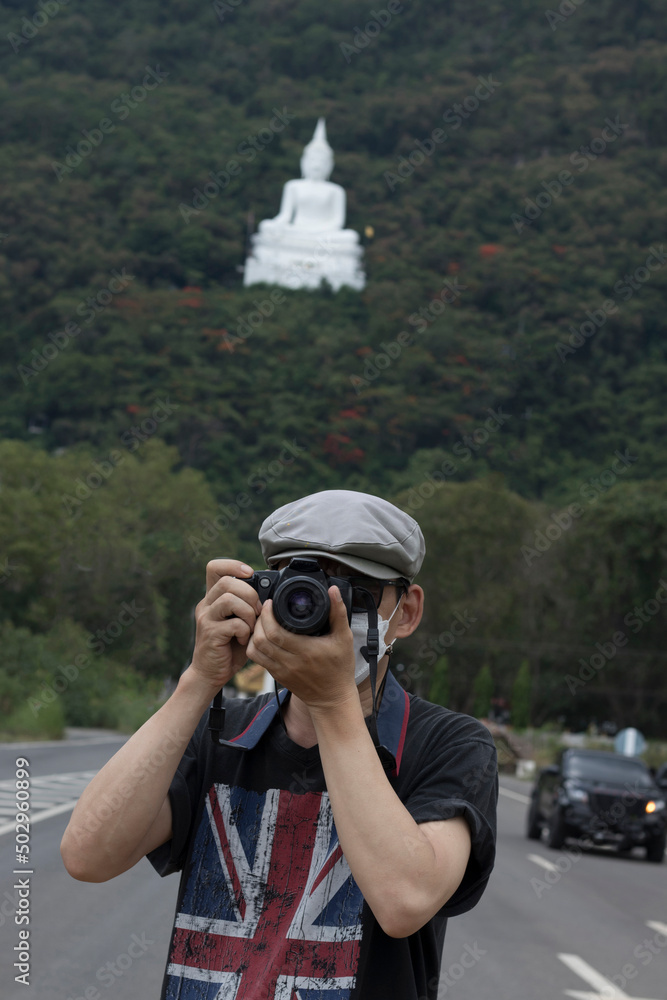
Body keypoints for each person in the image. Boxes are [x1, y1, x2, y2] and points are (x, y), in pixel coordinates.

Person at [61, 489, 498, 1000]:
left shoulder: (451, 745)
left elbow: (404, 900)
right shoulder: (222, 731)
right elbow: (88, 854)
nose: (322, 606)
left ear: (406, 611)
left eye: (354, 589)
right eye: (300, 585)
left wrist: (333, 702)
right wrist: (201, 677)